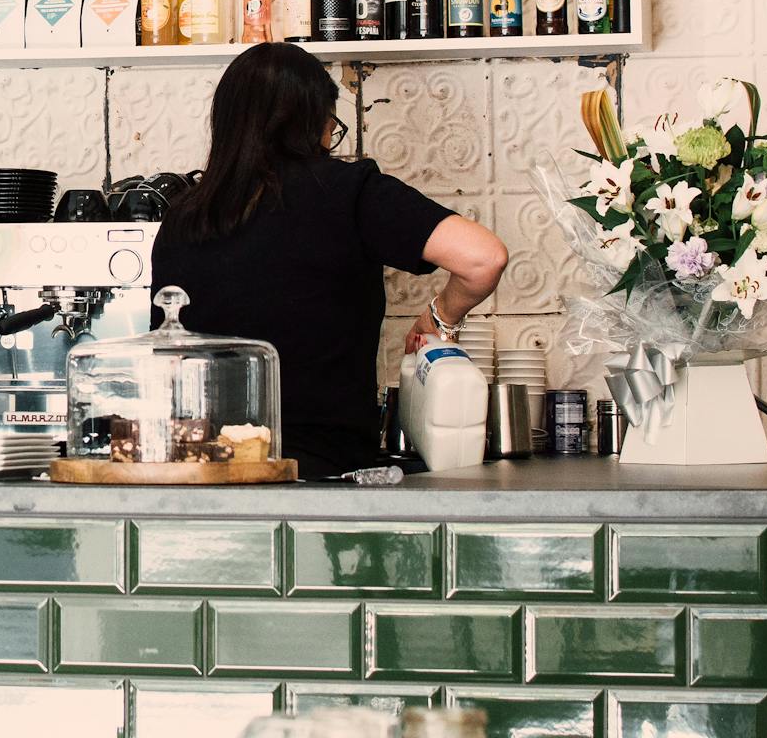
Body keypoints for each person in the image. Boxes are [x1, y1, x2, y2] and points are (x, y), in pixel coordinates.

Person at [150, 42, 508, 477]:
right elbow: (483, 258)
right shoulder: (349, 190)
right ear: (313, 121)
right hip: (322, 475)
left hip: (199, 473)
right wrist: (440, 315)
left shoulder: (184, 216)